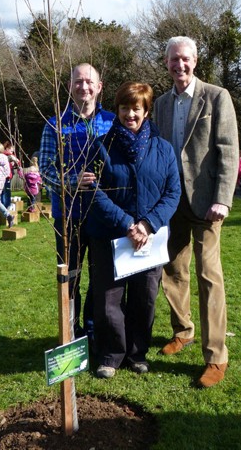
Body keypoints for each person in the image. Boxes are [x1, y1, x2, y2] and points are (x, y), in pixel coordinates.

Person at [153, 36, 239, 388]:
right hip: (171, 203)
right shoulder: (160, 104)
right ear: (167, 63)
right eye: (174, 60)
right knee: (172, 271)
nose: (180, 65)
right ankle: (183, 331)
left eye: (185, 59)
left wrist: (223, 198)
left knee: (208, 275)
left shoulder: (217, 97)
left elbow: (229, 150)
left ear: (196, 60)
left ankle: (216, 356)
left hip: (206, 203)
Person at [84, 82, 181, 378]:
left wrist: (147, 224)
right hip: (109, 235)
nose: (130, 114)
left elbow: (172, 192)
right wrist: (127, 224)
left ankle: (137, 353)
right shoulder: (100, 146)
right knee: (107, 299)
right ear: (117, 110)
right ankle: (110, 355)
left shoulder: (163, 149)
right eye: (124, 108)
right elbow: (93, 191)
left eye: (136, 108)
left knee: (144, 298)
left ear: (146, 111)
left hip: (148, 239)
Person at [39, 63, 115, 339]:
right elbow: (46, 170)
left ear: (99, 86)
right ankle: (70, 332)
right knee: (70, 277)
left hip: (103, 214)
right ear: (69, 86)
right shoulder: (55, 125)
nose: (84, 86)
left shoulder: (112, 122)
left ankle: (93, 330)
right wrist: (73, 180)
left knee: (100, 276)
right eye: (78, 82)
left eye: (89, 81)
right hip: (68, 215)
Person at [1, 141, 21, 209]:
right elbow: (18, 162)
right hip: (6, 175)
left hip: (6, 175)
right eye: (11, 149)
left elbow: (17, 163)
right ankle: (6, 206)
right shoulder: (7, 155)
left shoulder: (4, 155)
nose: (12, 151)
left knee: (3, 191)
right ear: (7, 148)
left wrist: (14, 164)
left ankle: (3, 205)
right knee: (6, 191)